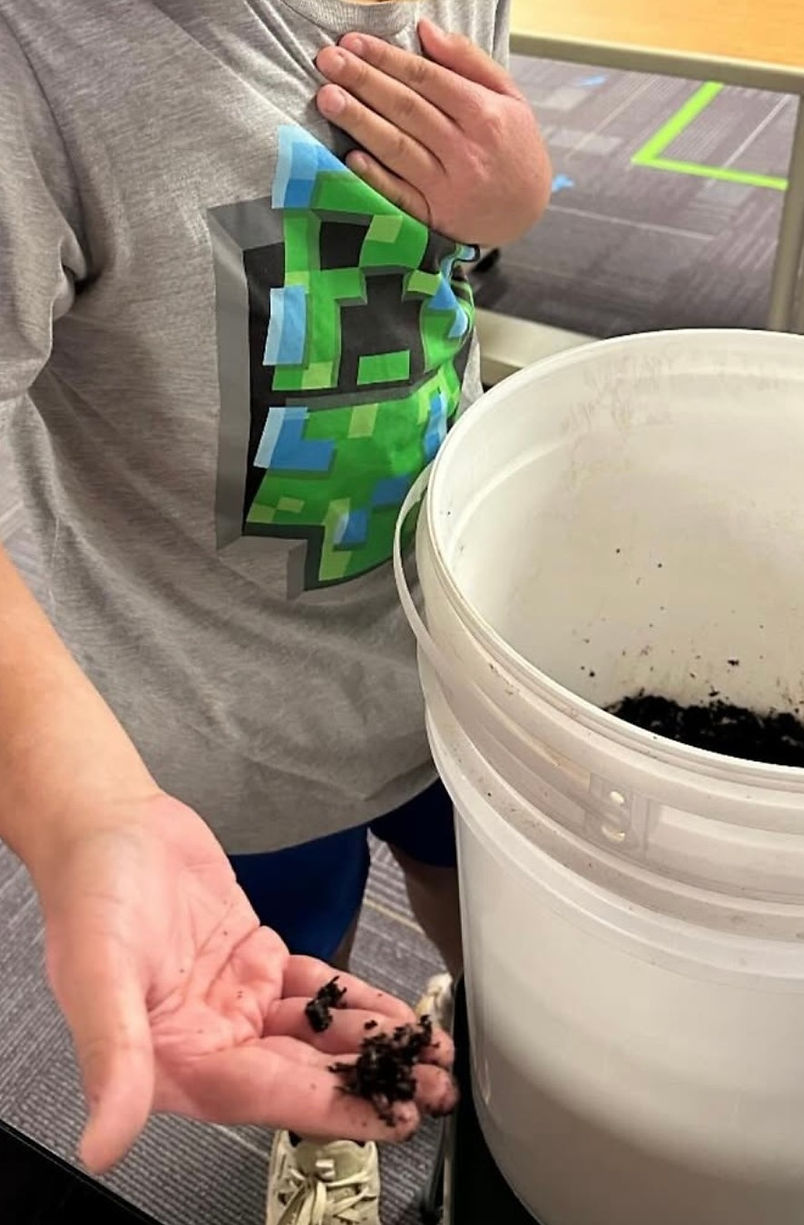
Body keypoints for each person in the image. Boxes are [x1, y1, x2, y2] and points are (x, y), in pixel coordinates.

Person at [0, 0, 551, 1221]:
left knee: (480, 895)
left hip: (447, 641)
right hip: (216, 717)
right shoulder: (38, 71)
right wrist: (85, 808)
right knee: (293, 969)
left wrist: (501, 215)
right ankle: (333, 1113)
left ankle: (507, 1063)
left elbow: (430, 272)